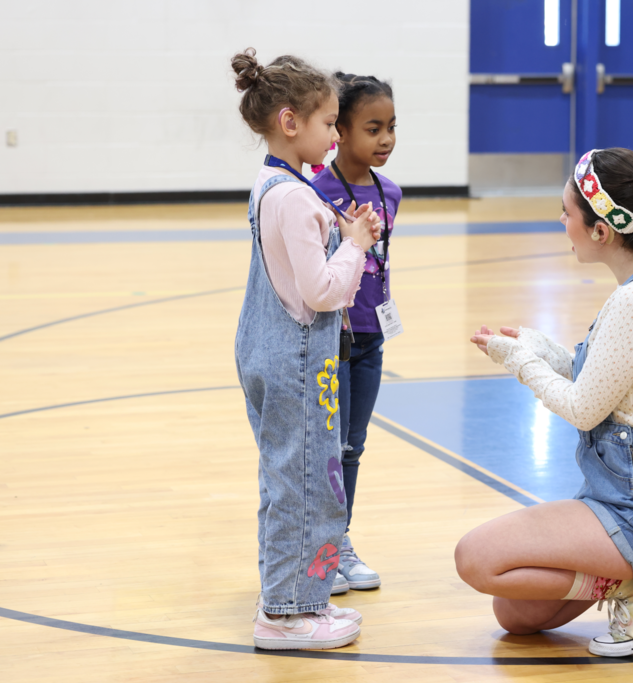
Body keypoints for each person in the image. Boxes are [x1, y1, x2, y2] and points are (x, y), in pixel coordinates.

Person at [455, 148, 633, 658]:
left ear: (600, 231)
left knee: (475, 559)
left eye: (567, 212)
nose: (561, 222)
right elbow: (617, 386)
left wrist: (519, 362)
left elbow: (583, 409)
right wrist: (544, 350)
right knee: (515, 614)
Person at [231, 48, 382, 649]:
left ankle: (295, 600)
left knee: (289, 478)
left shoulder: (274, 184)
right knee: (308, 483)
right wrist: (356, 245)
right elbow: (320, 293)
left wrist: (337, 232)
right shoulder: (292, 196)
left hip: (268, 351)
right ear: (291, 122)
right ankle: (289, 612)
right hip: (296, 361)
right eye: (328, 124)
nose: (334, 136)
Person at [311, 73, 400, 595]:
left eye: (391, 127)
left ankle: (340, 542)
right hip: (331, 338)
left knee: (353, 445)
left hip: (371, 334)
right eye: (373, 128)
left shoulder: (391, 192)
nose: (385, 139)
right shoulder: (316, 193)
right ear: (339, 130)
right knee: (328, 443)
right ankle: (322, 546)